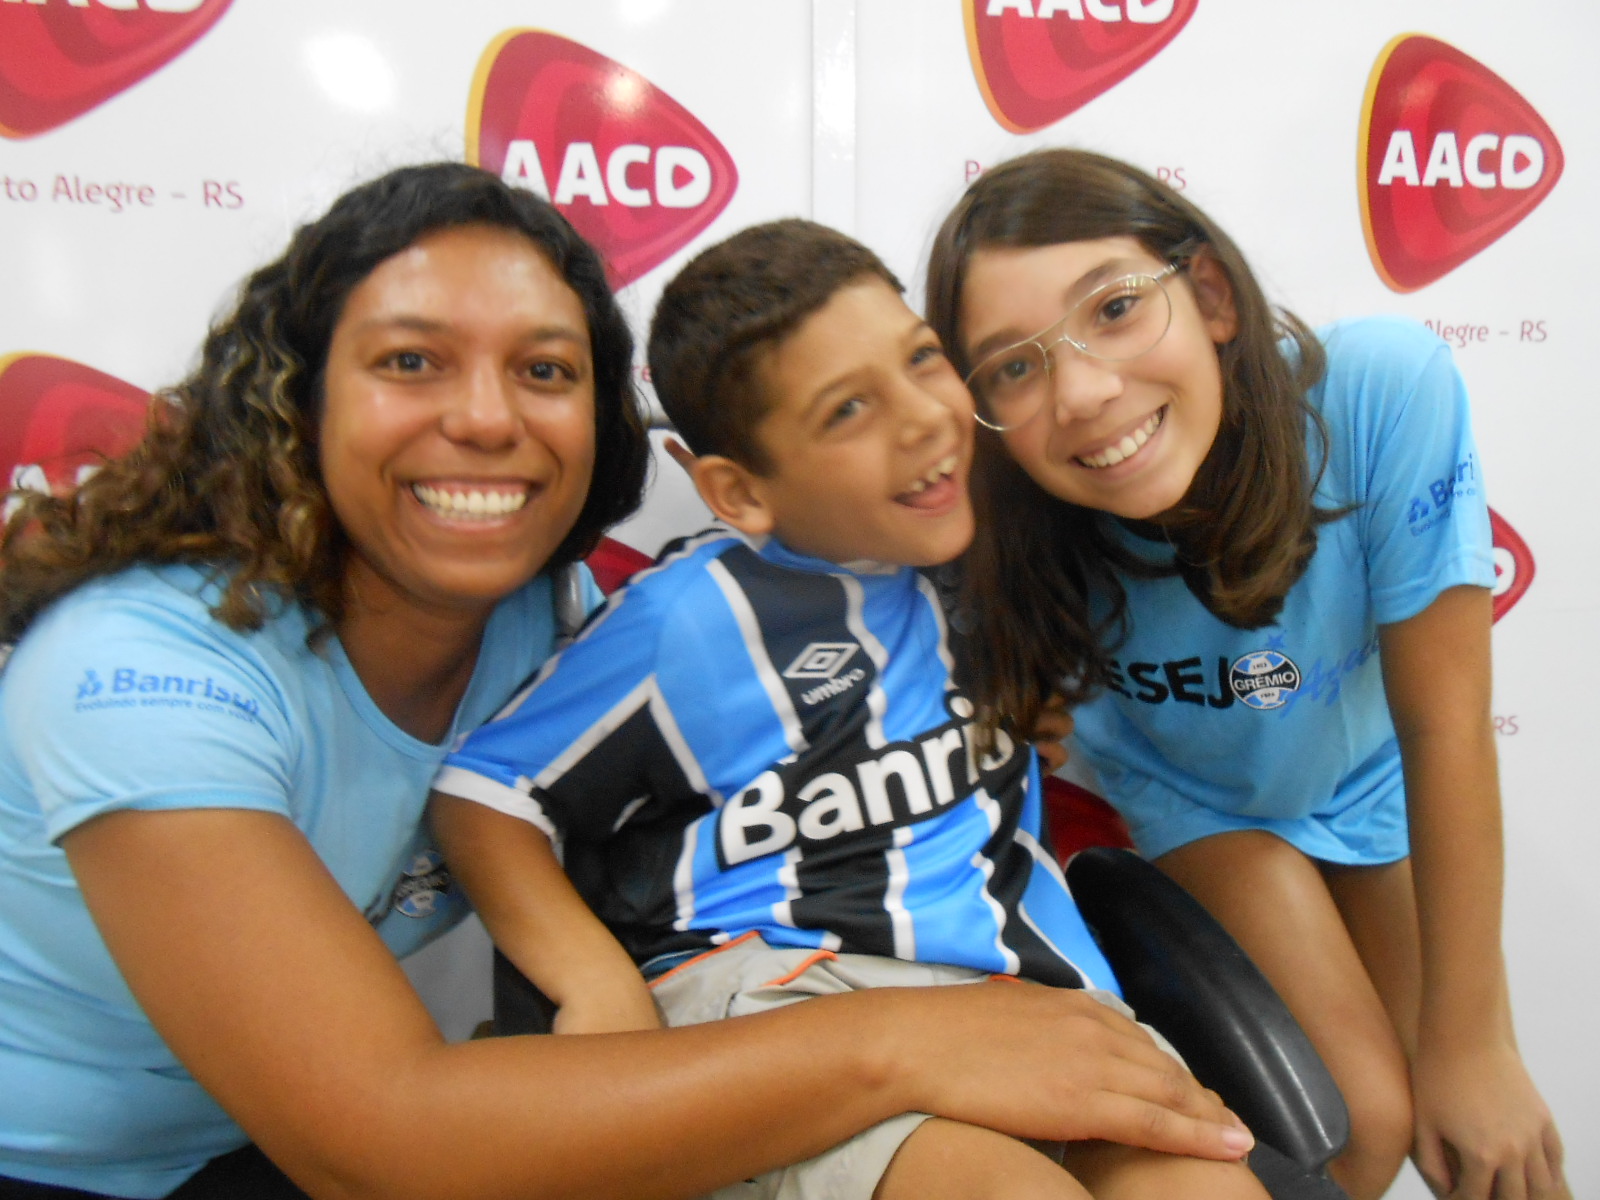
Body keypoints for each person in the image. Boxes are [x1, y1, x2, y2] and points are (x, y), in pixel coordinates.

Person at [0, 163, 1255, 1200]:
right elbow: (378, 1137)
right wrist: (902, 1037)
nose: (487, 419)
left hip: (287, 1146)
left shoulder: (540, 613)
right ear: (294, 393)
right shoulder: (135, 676)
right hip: (88, 1171)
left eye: (544, 370)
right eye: (410, 362)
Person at [429, 218, 1265, 1200]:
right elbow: (485, 795)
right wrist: (594, 980)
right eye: (847, 411)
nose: (920, 419)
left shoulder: (991, 553)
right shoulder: (695, 622)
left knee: (1209, 1187)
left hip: (1020, 988)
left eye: (921, 359)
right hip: (791, 998)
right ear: (737, 492)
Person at [923, 147, 1568, 1200]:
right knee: (1355, 1121)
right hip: (1194, 797)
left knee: (1471, 1128)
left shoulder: (1378, 390)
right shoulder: (1005, 510)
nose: (1083, 391)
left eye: (1116, 309)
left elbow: (1445, 722)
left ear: (1211, 294)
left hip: (1371, 781)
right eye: (1014, 367)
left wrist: (1479, 1043)